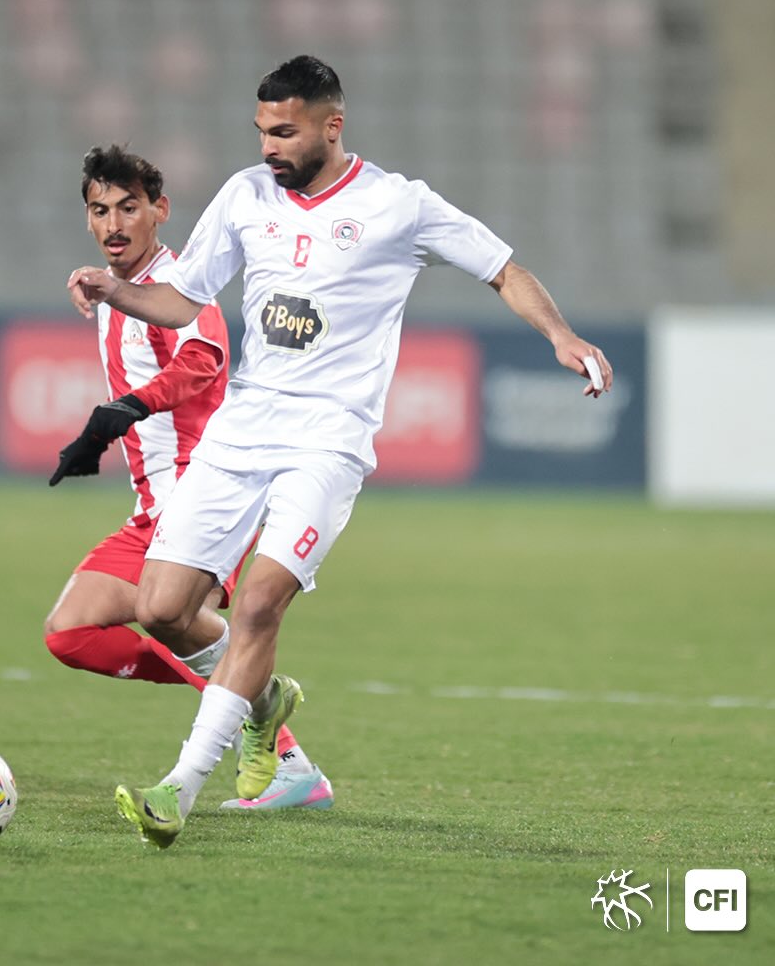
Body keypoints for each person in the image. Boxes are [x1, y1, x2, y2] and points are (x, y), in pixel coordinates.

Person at [67, 56, 614, 849]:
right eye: (262, 131)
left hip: (328, 441)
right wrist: (113, 289)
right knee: (159, 609)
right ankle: (264, 703)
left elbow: (504, 270)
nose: (269, 147)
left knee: (258, 605)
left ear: (332, 126)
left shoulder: (398, 205)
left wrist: (561, 335)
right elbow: (183, 299)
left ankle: (178, 788)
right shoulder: (246, 196)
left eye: (285, 132)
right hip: (243, 430)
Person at [45, 143, 333, 812]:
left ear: (160, 211)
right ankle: (261, 704)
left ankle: (267, 734)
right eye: (100, 211)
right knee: (71, 633)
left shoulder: (179, 282)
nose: (115, 224)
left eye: (129, 208)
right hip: (152, 509)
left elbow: (204, 359)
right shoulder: (115, 288)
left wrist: (127, 407)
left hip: (206, 493)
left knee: (165, 616)